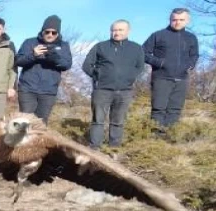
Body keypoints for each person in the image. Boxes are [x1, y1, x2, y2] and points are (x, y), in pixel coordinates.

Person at [83, 20, 145, 149]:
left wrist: (130, 78)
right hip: (102, 90)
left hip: (125, 91)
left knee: (118, 121)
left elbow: (140, 67)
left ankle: (114, 148)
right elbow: (86, 65)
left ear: (128, 31)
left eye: (120, 30)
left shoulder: (136, 48)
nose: (116, 33)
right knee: (98, 120)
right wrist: (98, 76)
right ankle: (94, 148)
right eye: (114, 30)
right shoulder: (100, 46)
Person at [143, 7, 199, 129]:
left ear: (187, 21)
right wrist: (160, 63)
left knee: (175, 109)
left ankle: (170, 136)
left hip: (181, 78)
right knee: (159, 108)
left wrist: (190, 65)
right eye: (174, 19)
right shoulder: (158, 35)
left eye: (181, 19)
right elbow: (143, 53)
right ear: (170, 19)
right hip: (161, 78)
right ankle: (156, 137)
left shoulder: (191, 38)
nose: (177, 22)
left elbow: (194, 55)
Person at [15, 15, 72, 124]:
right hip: (27, 89)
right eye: (47, 32)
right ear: (42, 31)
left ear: (58, 33)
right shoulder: (29, 42)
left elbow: (67, 65)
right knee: (24, 122)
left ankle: (38, 141)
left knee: (41, 123)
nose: (50, 35)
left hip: (49, 91)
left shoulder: (64, 46)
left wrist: (53, 57)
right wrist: (33, 55)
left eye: (54, 32)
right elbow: (19, 61)